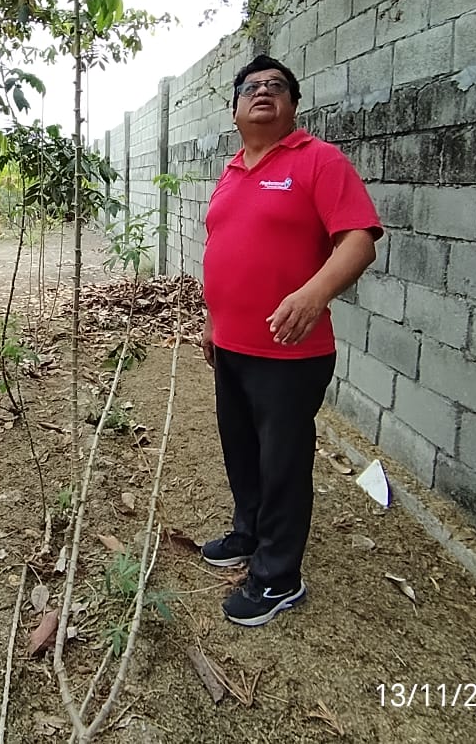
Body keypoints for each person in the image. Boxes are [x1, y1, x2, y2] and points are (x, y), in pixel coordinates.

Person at [199, 55, 382, 627]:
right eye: (251, 87)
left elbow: (359, 240)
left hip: (289, 351)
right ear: (234, 110)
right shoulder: (232, 172)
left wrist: (314, 294)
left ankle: (279, 576)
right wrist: (212, 320)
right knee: (242, 450)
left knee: (282, 462)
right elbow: (224, 249)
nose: (263, 92)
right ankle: (250, 533)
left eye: (276, 86)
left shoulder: (318, 161)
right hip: (231, 346)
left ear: (293, 105)